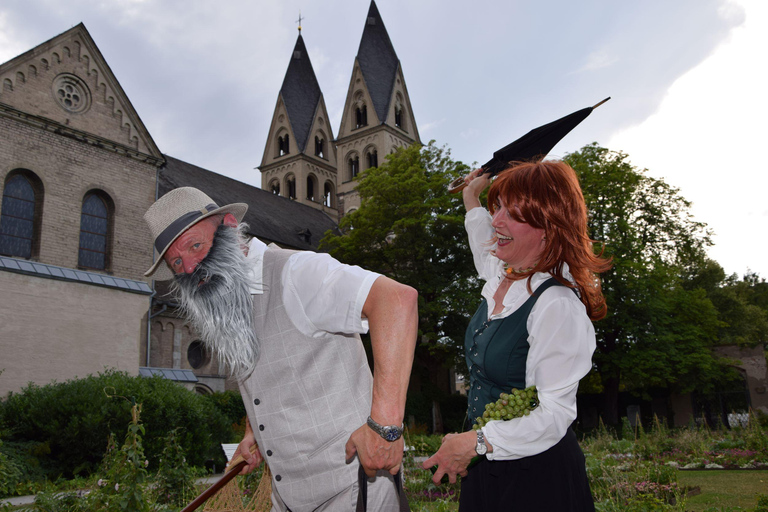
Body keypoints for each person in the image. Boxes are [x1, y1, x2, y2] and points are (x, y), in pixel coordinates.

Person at [143, 187, 418, 512]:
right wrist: (252, 433)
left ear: (229, 225)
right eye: (177, 261)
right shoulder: (232, 303)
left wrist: (384, 427)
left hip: (353, 489)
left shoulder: (295, 272)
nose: (190, 268)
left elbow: (396, 301)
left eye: (196, 246)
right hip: (288, 498)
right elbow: (268, 376)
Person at [423, 161, 611, 511]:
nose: (497, 221)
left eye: (513, 214)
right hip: (485, 468)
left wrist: (476, 442)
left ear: (547, 229)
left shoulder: (555, 304)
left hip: (536, 480)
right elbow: (484, 246)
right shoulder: (502, 276)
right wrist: (471, 196)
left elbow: (554, 415)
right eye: (498, 208)